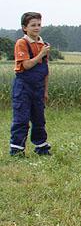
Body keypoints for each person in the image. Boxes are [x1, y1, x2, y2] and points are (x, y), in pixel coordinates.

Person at [10, 12, 52, 157]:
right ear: (24, 28)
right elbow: (26, 65)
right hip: (23, 87)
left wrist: (45, 91)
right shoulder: (22, 43)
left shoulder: (43, 45)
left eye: (39, 24)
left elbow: (45, 70)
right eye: (33, 25)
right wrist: (41, 54)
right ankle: (17, 150)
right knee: (21, 119)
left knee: (39, 119)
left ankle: (41, 147)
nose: (37, 28)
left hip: (38, 87)